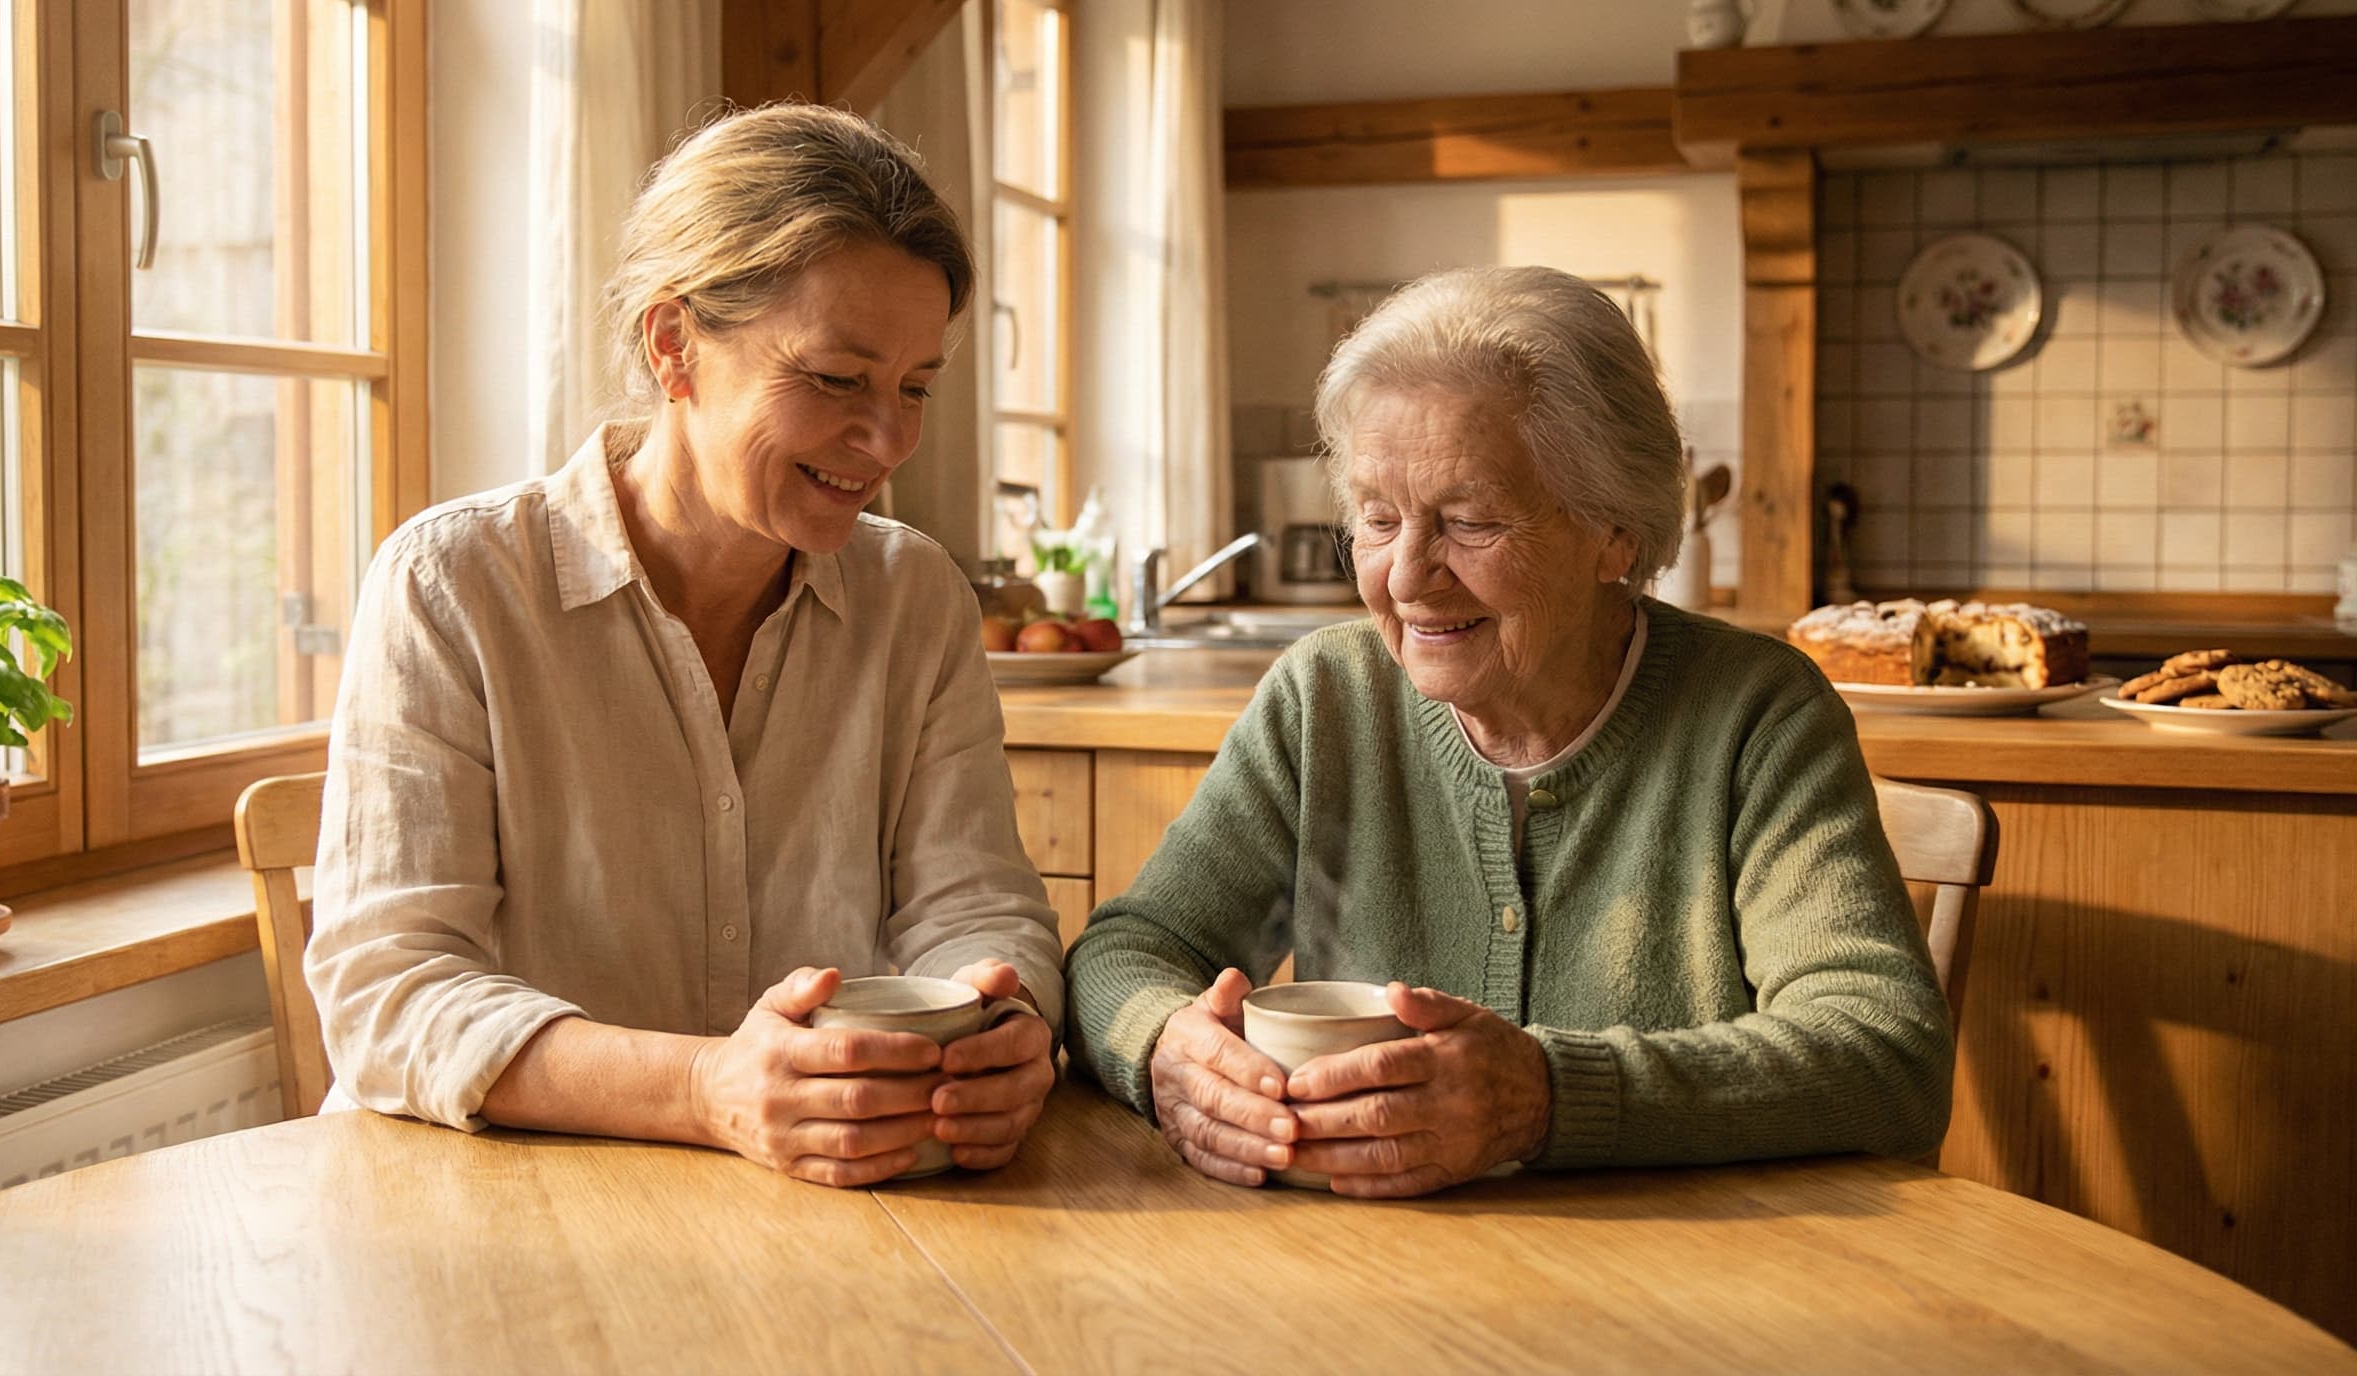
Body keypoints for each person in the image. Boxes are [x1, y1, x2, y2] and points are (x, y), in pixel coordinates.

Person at [1065, 265, 1952, 1197]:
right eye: (1377, 519)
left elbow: (1886, 1053)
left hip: (1682, 1267)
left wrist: (1544, 1097)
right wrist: (1167, 1049)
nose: (1407, 576)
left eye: (1470, 522)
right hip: (1371, 1264)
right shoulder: (1326, 696)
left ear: (1615, 532)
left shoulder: (1754, 713)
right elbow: (1126, 954)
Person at [308, 104, 1063, 1186]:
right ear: (674, 347)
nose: (889, 439)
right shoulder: (452, 587)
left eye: (915, 389)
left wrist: (1006, 1021)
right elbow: (390, 993)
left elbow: (976, 905)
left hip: (815, 1206)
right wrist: (707, 1089)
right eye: (836, 379)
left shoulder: (915, 598)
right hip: (497, 1205)